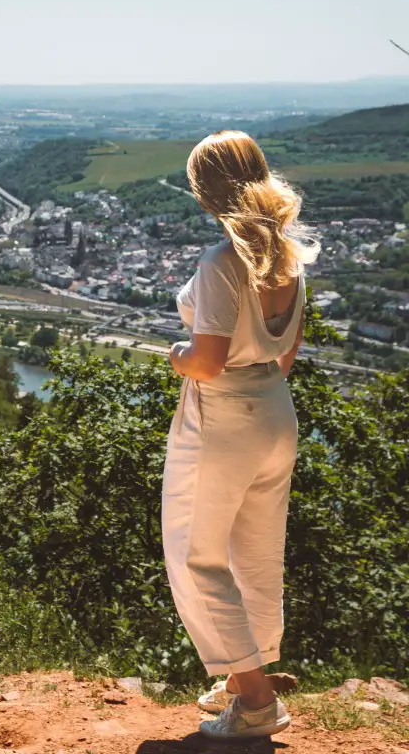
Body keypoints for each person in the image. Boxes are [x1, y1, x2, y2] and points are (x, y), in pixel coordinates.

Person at [163, 130, 320, 741]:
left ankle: (255, 701)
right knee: (254, 550)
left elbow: (205, 361)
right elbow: (287, 355)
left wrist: (176, 354)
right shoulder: (287, 254)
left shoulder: (221, 261)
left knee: (197, 555)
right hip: (276, 410)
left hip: (223, 417)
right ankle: (243, 674)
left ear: (206, 192)